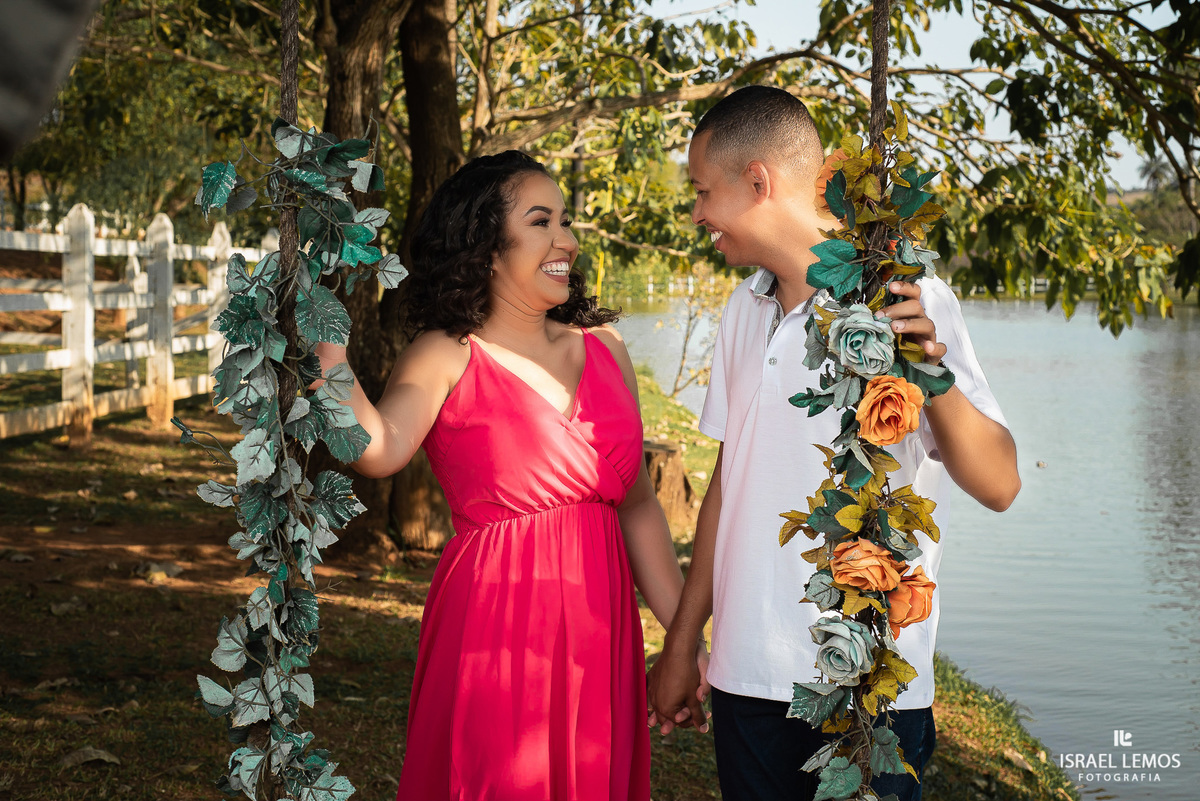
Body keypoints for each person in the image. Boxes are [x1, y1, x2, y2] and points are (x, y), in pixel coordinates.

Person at [646, 86, 1021, 801]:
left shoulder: (904, 297)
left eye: (702, 191)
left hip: (868, 687)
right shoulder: (743, 308)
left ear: (758, 181)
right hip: (746, 678)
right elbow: (729, 484)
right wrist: (683, 639)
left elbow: (1001, 483)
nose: (696, 214)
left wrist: (931, 373)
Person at [314, 150, 707, 801]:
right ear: (489, 247)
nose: (567, 239)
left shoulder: (604, 345)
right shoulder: (446, 352)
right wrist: (326, 349)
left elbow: (637, 504)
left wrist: (683, 638)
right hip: (495, 626)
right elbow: (376, 448)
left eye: (565, 220)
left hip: (598, 635)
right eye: (541, 221)